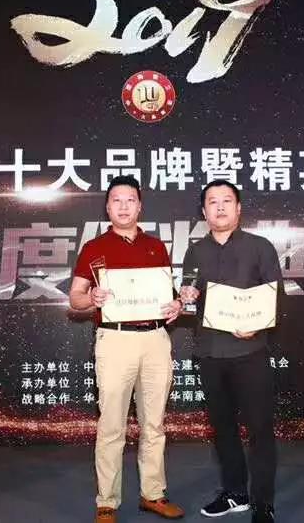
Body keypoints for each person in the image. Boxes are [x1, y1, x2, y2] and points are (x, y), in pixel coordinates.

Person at [69, 175, 185, 523]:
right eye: (116, 200)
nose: (123, 206)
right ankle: (107, 501)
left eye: (130, 200)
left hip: (155, 339)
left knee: (154, 424)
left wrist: (176, 305)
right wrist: (91, 298)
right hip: (115, 339)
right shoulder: (94, 247)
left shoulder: (156, 246)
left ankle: (153, 494)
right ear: (107, 207)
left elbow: (168, 295)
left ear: (139, 206)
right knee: (111, 426)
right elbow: (75, 298)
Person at [179, 180, 282, 523]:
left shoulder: (260, 247)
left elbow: (274, 296)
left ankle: (263, 504)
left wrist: (258, 324)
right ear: (204, 211)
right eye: (212, 201)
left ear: (238, 208)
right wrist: (186, 295)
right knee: (223, 429)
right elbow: (189, 289)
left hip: (250, 351)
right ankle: (235, 492)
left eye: (227, 200)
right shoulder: (195, 251)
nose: (220, 207)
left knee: (260, 430)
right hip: (210, 353)